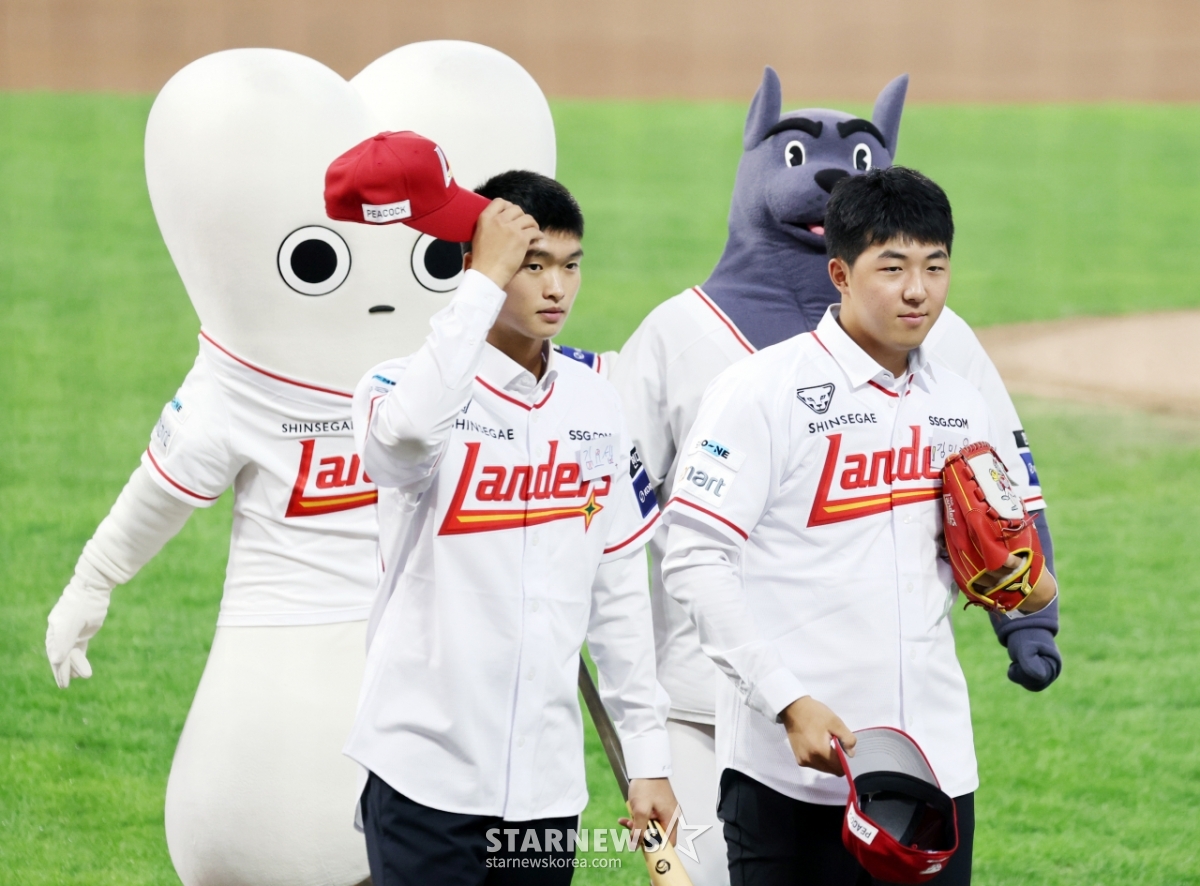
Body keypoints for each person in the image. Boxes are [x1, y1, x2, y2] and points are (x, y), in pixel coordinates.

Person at [610, 71, 1059, 884]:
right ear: (841, 273)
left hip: (930, 759)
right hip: (786, 763)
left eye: (935, 267)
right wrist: (786, 698)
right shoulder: (758, 391)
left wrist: (1028, 601)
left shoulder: (960, 403)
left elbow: (1016, 541)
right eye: (893, 267)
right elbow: (695, 558)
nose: (917, 290)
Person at [344, 170, 678, 885]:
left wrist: (648, 758)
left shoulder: (597, 402)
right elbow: (404, 442)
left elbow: (619, 594)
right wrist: (480, 286)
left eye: (570, 265)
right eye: (532, 265)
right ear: (485, 266)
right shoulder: (398, 388)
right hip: (422, 775)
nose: (556, 288)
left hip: (545, 788)